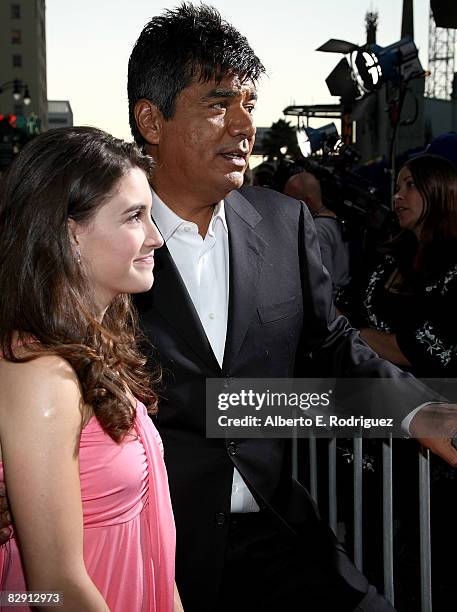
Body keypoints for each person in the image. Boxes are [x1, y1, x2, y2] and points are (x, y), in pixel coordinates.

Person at [124, 5, 457, 611]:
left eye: (249, 103)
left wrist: (417, 411)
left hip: (280, 536)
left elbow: (331, 349)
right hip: (151, 557)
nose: (243, 125)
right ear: (151, 119)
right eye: (218, 103)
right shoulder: (98, 242)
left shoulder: (283, 225)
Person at [0, 127, 182, 611]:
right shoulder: (40, 372)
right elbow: (52, 586)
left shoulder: (98, 350)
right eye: (133, 217)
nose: (156, 238)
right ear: (70, 233)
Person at [284, 169, 351, 299]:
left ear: (306, 201)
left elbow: (322, 280)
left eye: (289, 199)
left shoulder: (317, 229)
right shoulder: (333, 219)